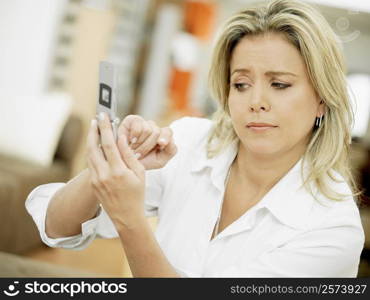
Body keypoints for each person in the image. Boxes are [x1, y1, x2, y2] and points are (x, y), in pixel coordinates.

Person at [26, 0, 365, 277]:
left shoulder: (332, 230)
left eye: (279, 84)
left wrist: (130, 219)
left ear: (322, 98)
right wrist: (111, 164)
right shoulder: (190, 141)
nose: (255, 101)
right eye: (241, 84)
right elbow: (57, 227)